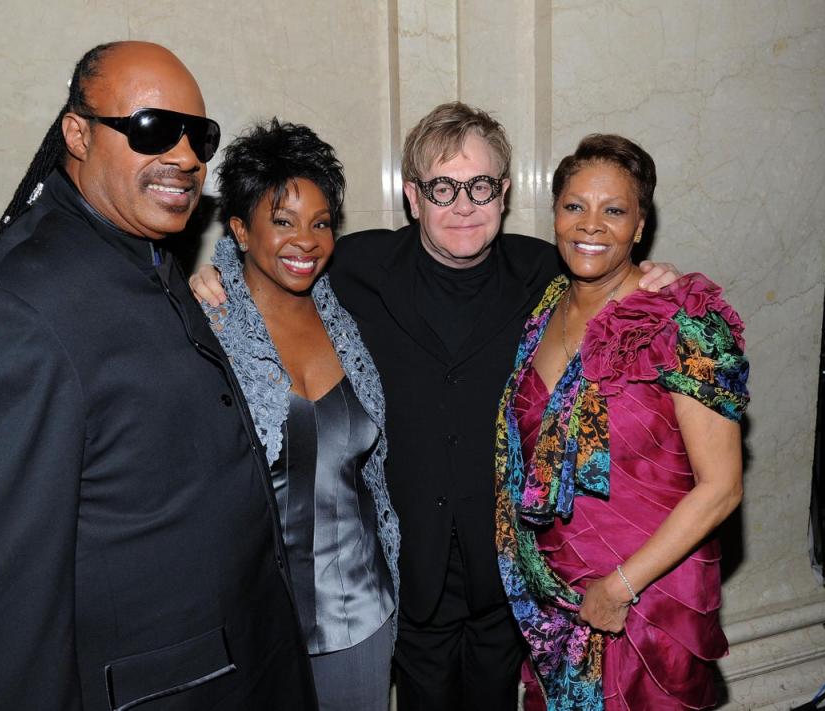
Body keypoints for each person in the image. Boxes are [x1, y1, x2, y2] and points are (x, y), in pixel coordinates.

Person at [191, 102, 680, 711]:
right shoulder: (357, 267)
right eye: (442, 187)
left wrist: (654, 278)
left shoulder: (546, 275)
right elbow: (278, 254)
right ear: (413, 197)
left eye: (479, 186)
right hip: (408, 569)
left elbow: (612, 270)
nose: (463, 205)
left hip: (507, 570)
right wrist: (214, 278)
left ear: (503, 193)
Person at [0, 41, 316, 711]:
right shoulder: (7, 316)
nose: (184, 156)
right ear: (77, 134)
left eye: (198, 136)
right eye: (151, 129)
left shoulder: (137, 251)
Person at [494, 134, 748, 709]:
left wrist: (620, 587)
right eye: (574, 206)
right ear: (554, 213)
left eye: (614, 210)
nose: (590, 225)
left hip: (649, 599)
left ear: (639, 226)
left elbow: (722, 487)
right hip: (555, 599)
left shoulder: (685, 325)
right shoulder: (543, 308)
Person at [203, 119, 400, 710]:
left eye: (320, 223)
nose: (305, 241)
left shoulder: (348, 314)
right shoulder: (205, 327)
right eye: (282, 221)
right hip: (248, 626)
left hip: (359, 619)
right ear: (239, 229)